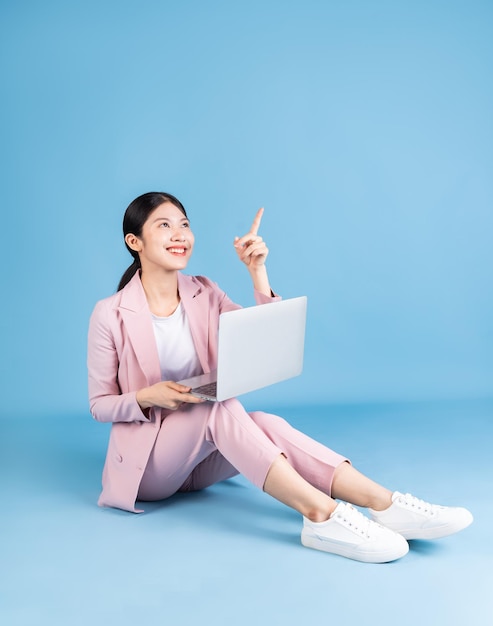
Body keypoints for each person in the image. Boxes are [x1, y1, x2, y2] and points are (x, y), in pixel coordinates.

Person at [87, 191, 473, 563]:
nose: (179, 234)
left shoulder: (204, 291)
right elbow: (99, 405)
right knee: (218, 410)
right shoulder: (111, 313)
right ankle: (321, 515)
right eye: (164, 225)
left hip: (200, 461)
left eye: (184, 224)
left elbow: (260, 336)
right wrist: (147, 396)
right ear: (134, 241)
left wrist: (257, 272)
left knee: (264, 423)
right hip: (150, 467)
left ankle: (385, 504)